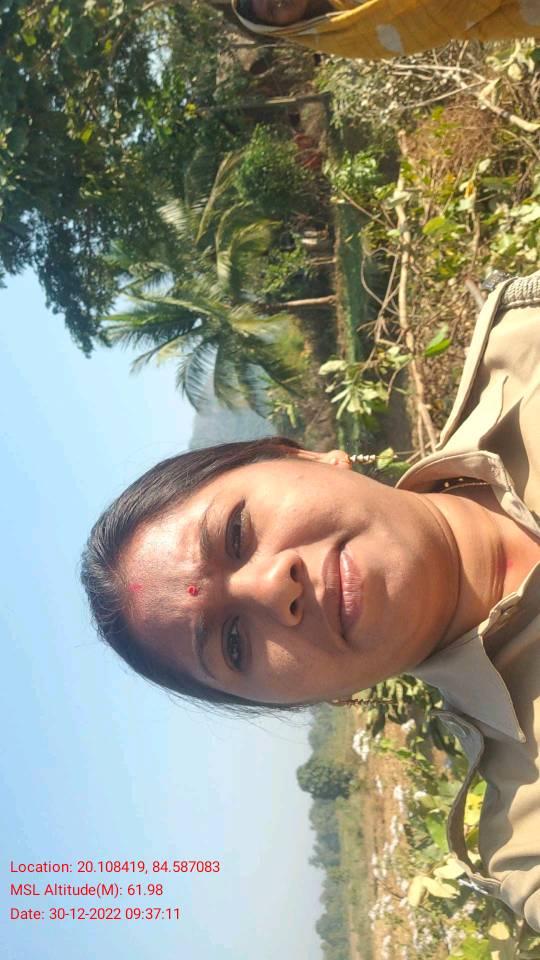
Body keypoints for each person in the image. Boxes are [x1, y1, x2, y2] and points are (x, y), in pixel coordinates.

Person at [81, 269, 540, 929]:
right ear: (311, 701)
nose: (274, 588)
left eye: (236, 533)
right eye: (232, 643)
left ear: (306, 456)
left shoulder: (525, 339)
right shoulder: (527, 838)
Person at [231, 0, 540, 61]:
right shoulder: (345, 35)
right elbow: (424, 20)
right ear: (281, 28)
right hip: (480, 13)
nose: (281, 0)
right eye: (273, 10)